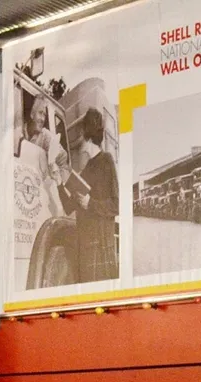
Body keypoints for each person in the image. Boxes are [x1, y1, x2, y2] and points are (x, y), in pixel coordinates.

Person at [68, 108, 119, 282]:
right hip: (87, 249)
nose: (79, 144)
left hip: (101, 247)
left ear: (88, 138)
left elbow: (116, 204)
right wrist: (58, 179)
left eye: (82, 136)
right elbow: (69, 206)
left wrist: (90, 203)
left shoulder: (107, 161)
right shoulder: (86, 170)